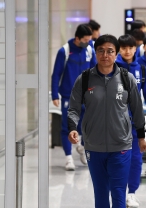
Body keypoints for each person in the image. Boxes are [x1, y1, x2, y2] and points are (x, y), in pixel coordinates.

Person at [68, 34, 146, 208]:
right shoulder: (85, 79)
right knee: (101, 194)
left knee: (118, 193)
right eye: (101, 51)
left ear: (116, 54)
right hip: (94, 146)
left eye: (110, 51)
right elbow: (73, 108)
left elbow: (137, 109)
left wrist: (141, 137)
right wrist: (72, 127)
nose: (105, 55)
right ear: (95, 53)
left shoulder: (127, 79)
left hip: (121, 145)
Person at [115, 34, 146, 207]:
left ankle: (131, 193)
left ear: (135, 49)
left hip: (135, 123)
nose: (127, 51)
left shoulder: (142, 70)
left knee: (135, 159)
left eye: (130, 48)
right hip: (114, 123)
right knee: (117, 159)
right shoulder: (112, 68)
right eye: (124, 48)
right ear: (120, 49)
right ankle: (118, 192)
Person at [51, 24, 97, 171]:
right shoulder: (64, 51)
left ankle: (82, 148)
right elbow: (56, 74)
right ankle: (68, 158)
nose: (88, 42)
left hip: (87, 96)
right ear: (77, 38)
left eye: (90, 40)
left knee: (86, 126)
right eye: (85, 40)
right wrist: (54, 94)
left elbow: (96, 71)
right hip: (68, 96)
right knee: (66, 127)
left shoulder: (89, 50)